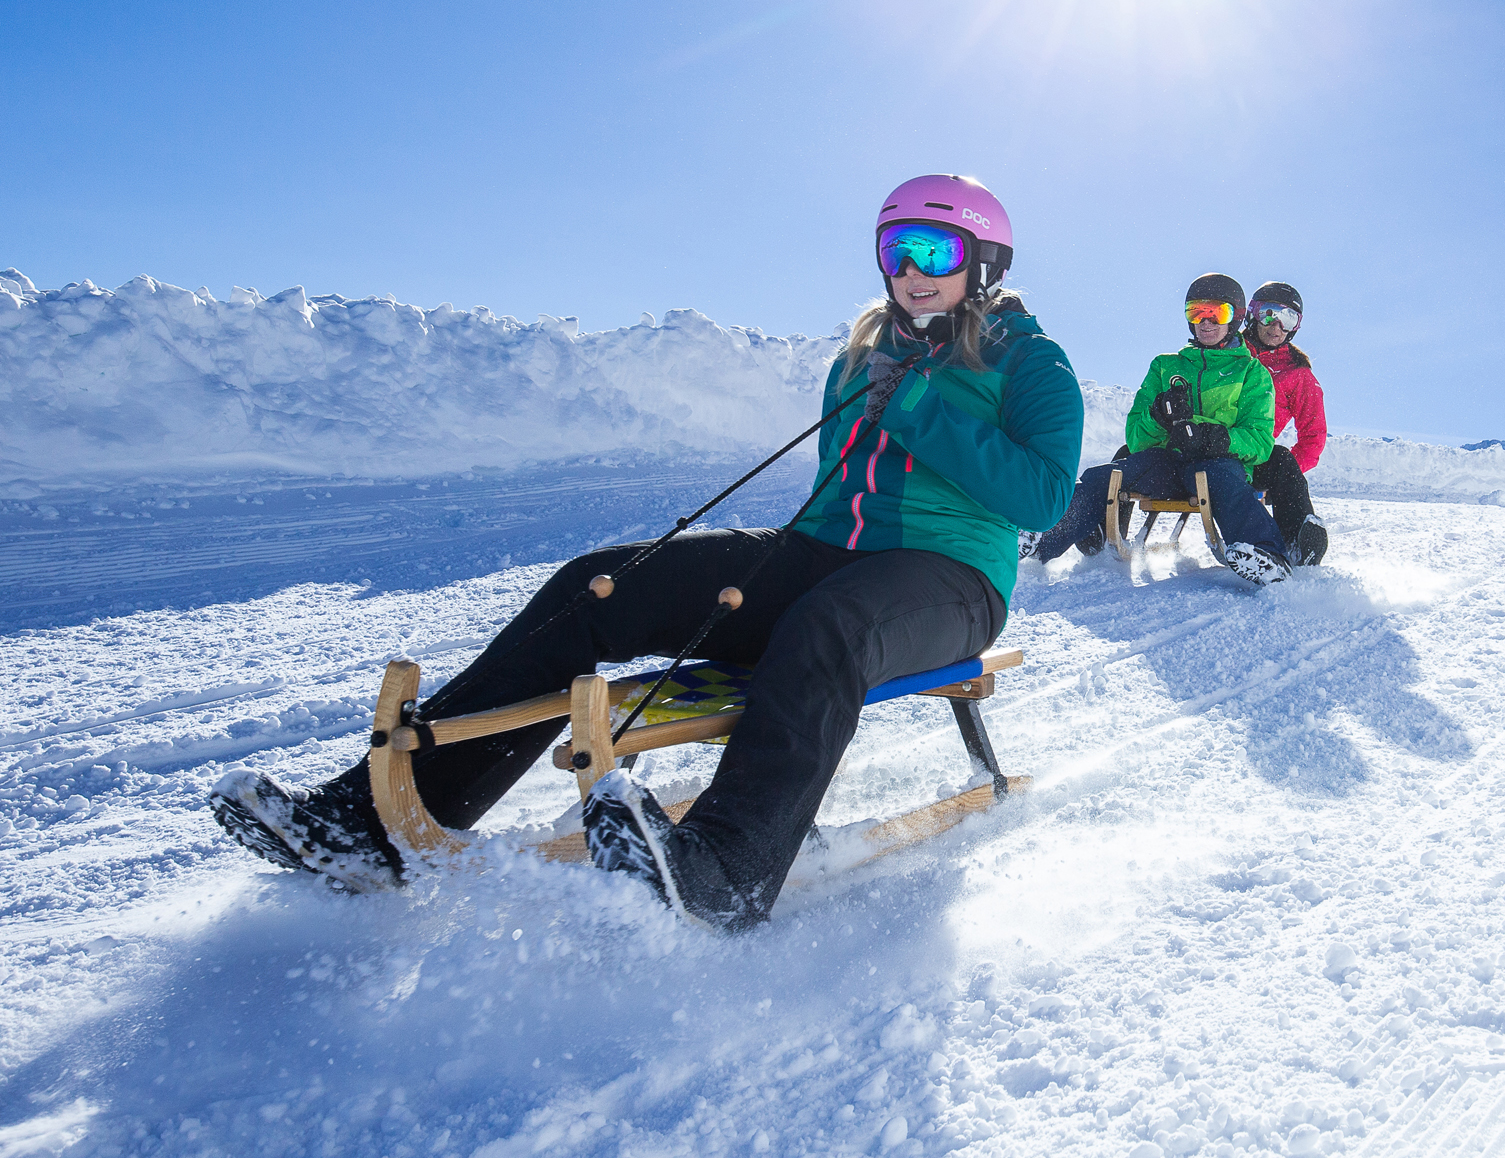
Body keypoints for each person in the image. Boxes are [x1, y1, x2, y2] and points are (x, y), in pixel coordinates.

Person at [208, 173, 1083, 930]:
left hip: (951, 580)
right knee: (598, 586)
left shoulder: (1031, 361)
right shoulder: (866, 352)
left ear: (985, 263)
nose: (909, 273)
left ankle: (727, 870)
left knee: (831, 626)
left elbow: (1042, 498)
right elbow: (839, 488)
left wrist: (922, 412)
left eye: (933, 252)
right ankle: (373, 827)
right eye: (895, 249)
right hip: (824, 554)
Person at [1025, 272, 1293, 586]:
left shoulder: (1252, 373)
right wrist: (1157, 415)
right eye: (1196, 312)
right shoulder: (1165, 366)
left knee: (1225, 484)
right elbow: (1135, 438)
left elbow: (1260, 442)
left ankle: (1268, 556)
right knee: (1106, 476)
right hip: (1167, 462)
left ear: (1235, 318)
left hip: (1217, 463)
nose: (1205, 322)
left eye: (1217, 313)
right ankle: (1039, 538)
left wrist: (1214, 437)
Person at [1243, 280, 1330, 565]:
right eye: (1269, 313)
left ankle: (1298, 541)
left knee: (1281, 459)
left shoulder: (1297, 375)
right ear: (1253, 313)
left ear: (1295, 326)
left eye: (1287, 318)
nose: (1276, 325)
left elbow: (1313, 436)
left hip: (1252, 458)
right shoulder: (1228, 351)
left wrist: (1283, 480)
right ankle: (1101, 539)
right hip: (1207, 444)